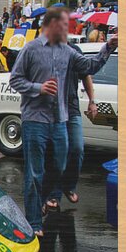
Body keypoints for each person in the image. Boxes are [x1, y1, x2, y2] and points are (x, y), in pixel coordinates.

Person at [9, 7, 117, 236]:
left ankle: (46, 196)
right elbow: (15, 80)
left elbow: (89, 67)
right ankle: (34, 221)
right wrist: (39, 88)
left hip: (60, 119)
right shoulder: (30, 49)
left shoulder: (67, 52)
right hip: (35, 120)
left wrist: (108, 47)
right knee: (34, 171)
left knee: (59, 164)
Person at [42, 37, 97, 210]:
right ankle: (54, 193)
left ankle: (69, 185)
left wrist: (92, 100)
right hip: (52, 111)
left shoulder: (75, 51)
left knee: (77, 148)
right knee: (57, 154)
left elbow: (86, 75)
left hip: (72, 108)